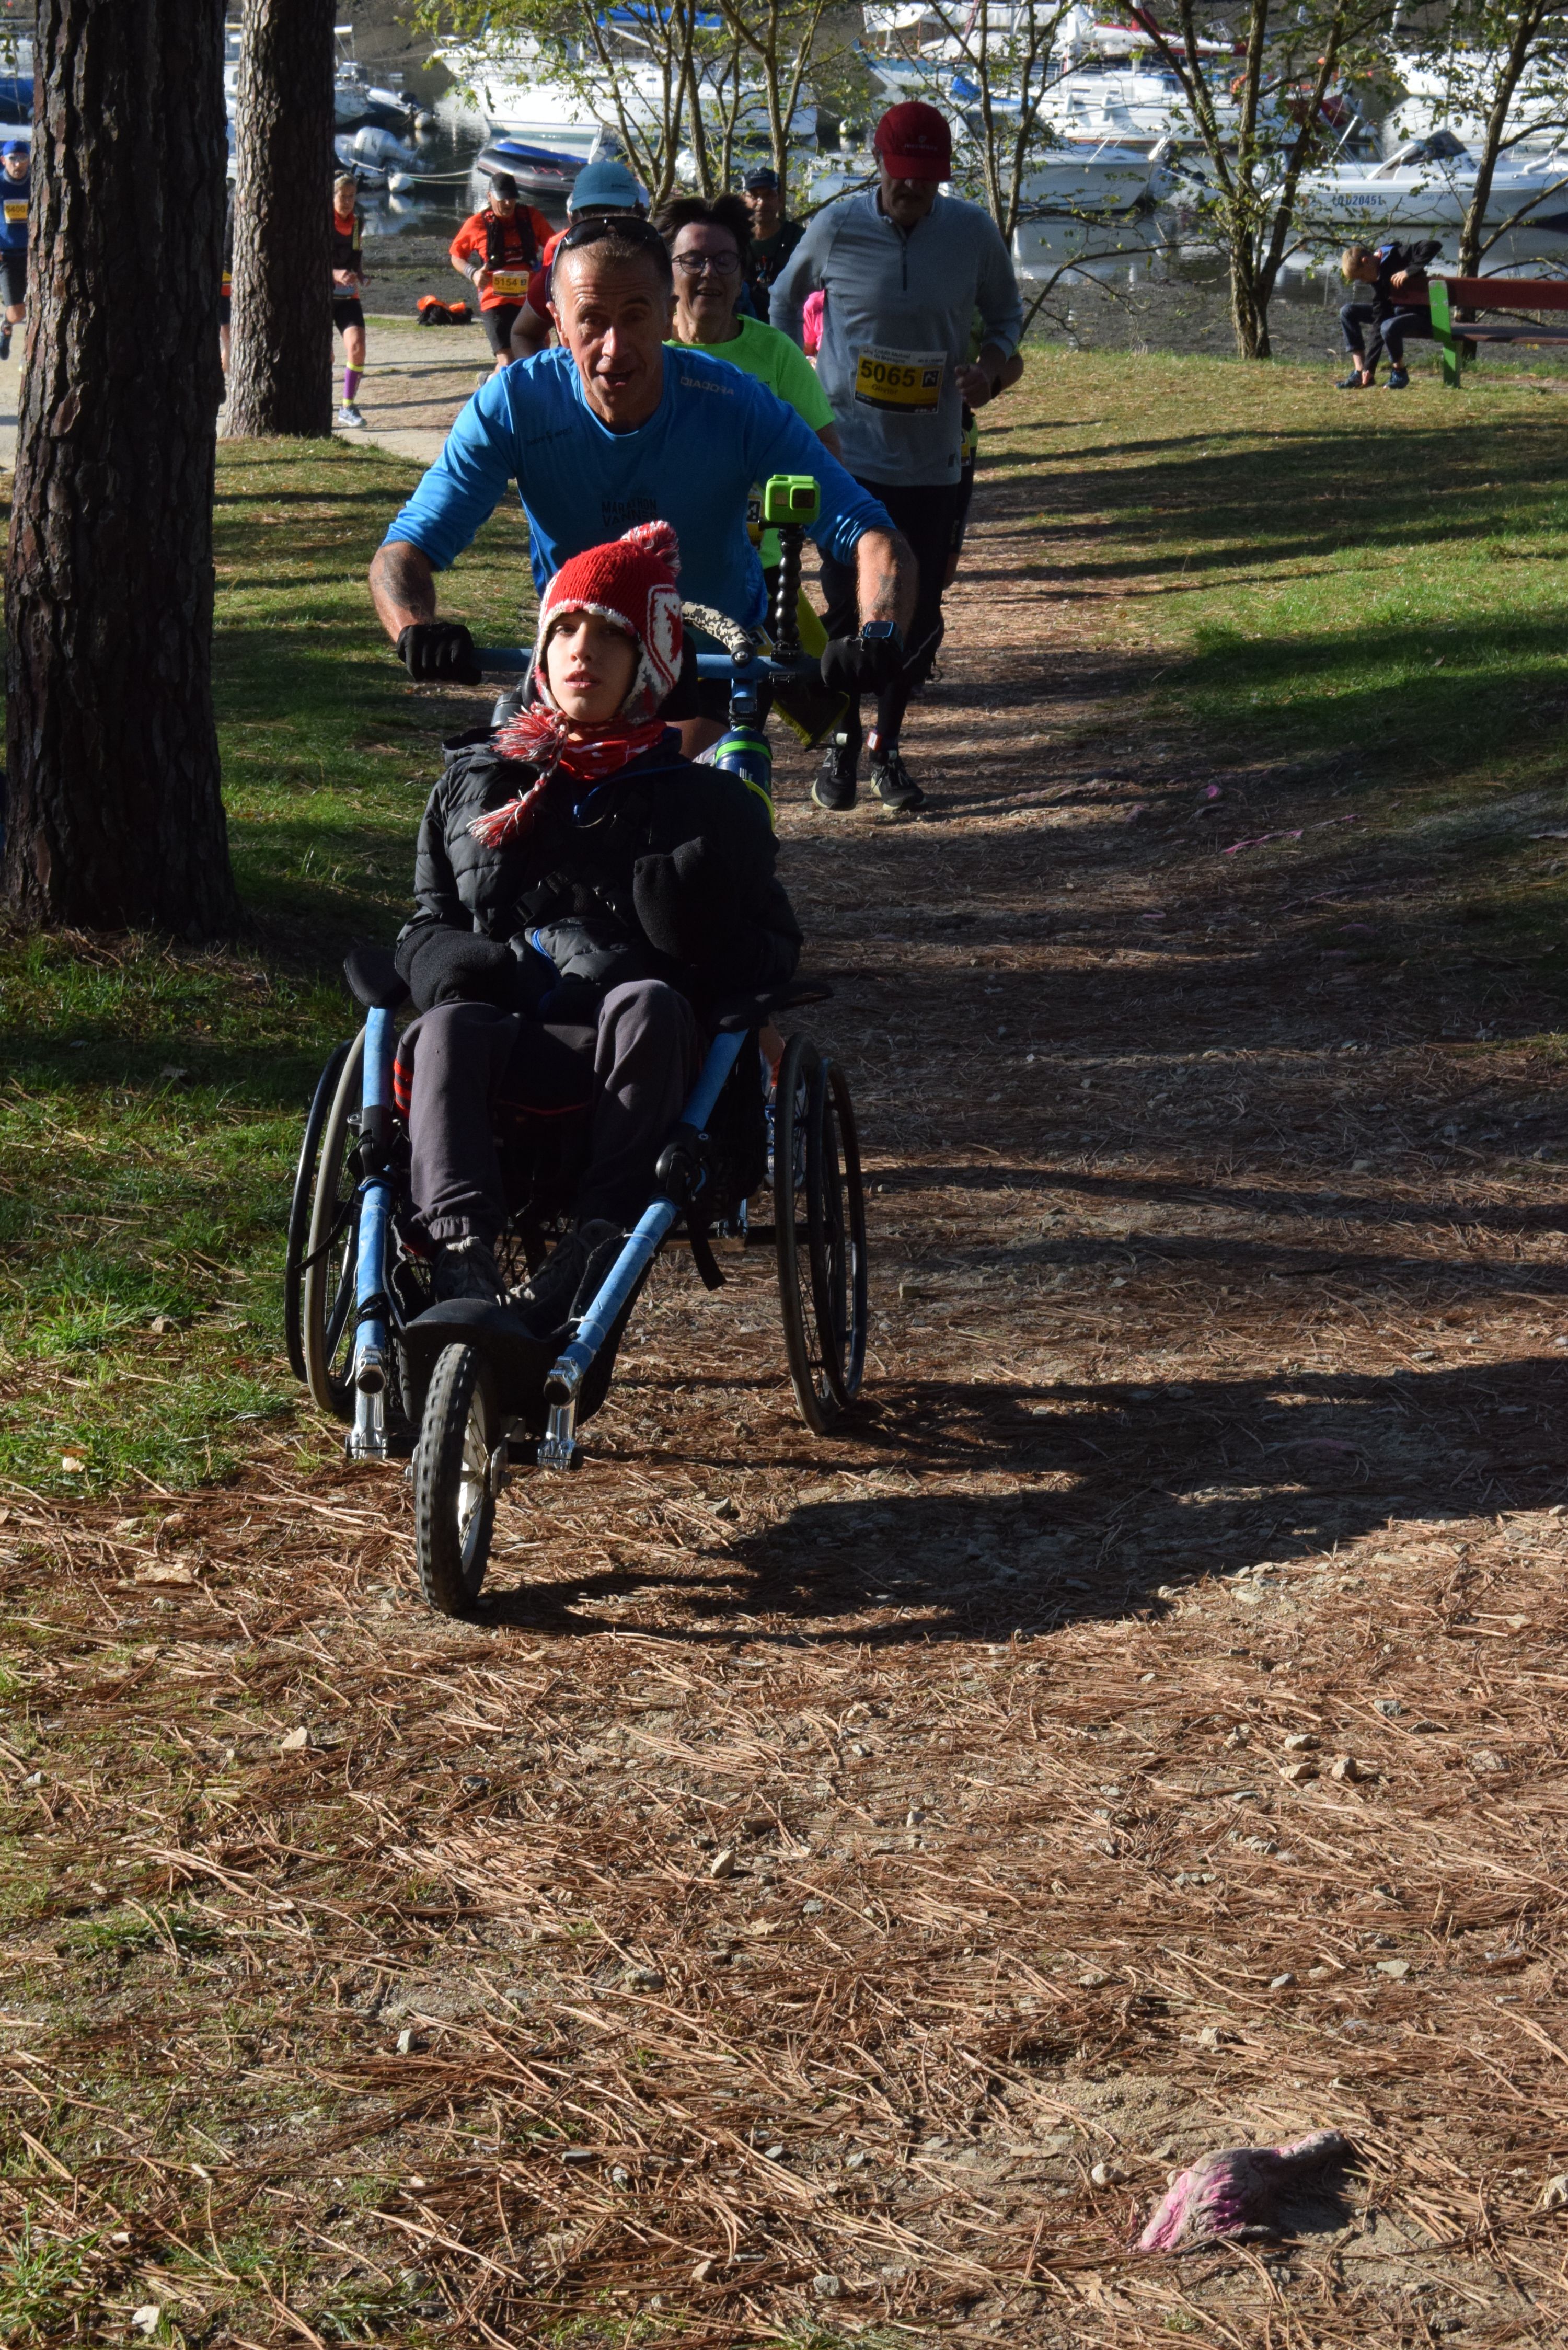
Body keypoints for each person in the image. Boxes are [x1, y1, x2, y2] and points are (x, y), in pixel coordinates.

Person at [391, 520, 801, 1329]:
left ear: (651, 664)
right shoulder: (474, 786)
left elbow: (776, 952)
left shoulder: (709, 808)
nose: (583, 650)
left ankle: (598, 1239)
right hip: (506, 1043)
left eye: (612, 635)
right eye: (565, 629)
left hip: (641, 1061)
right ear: (542, 652)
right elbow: (427, 920)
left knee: (647, 1000)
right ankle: (460, 1251)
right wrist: (442, 959)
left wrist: (700, 935)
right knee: (445, 1024)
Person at [369, 213, 914, 764]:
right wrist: (416, 629)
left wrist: (879, 631)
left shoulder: (736, 404)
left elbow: (873, 534)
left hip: (708, 666)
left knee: (668, 791)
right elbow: (404, 550)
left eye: (635, 316)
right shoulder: (513, 405)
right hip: (578, 668)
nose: (615, 347)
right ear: (558, 322)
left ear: (667, 313)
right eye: (592, 320)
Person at [771, 100, 1022, 813]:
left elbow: (1007, 318)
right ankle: (843, 742)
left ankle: (888, 745)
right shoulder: (837, 227)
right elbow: (781, 303)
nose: (912, 188)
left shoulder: (971, 233)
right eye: (902, 172)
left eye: (927, 176)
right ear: (879, 164)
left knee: (916, 615)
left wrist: (989, 371)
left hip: (932, 460)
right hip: (849, 457)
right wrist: (799, 385)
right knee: (847, 608)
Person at [659, 190, 842, 570]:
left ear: (742, 271)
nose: (709, 272)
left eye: (724, 260)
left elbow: (826, 452)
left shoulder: (775, 352)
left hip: (759, 567)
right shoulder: (647, 350)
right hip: (661, 564)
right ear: (667, 273)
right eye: (693, 260)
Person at [508, 154, 648, 363]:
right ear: (573, 219)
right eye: (593, 216)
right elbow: (522, 334)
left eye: (617, 214)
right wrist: (551, 379)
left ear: (638, 213)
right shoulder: (558, 272)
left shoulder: (659, 265)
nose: (607, 226)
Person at [450, 169, 554, 373]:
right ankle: (489, 384)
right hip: (495, 301)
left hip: (528, 301)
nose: (508, 203)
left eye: (512, 198)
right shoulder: (476, 224)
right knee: (507, 362)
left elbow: (554, 245)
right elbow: (456, 256)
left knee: (535, 358)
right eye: (503, 199)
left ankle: (499, 385)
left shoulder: (531, 217)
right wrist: (473, 273)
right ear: (490, 196)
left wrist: (549, 274)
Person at [1338, 240, 1439, 391]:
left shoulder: (1397, 254)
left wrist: (1408, 271)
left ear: (1366, 261)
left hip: (1419, 316)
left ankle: (1400, 372)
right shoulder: (1377, 276)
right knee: (1348, 312)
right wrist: (1369, 366)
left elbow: (1432, 245)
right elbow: (1380, 318)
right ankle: (1361, 372)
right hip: (1393, 315)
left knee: (1388, 325)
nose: (1364, 281)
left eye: (1362, 276)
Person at [739, 166, 803, 320]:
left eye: (768, 195)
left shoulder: (799, 238)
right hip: (744, 323)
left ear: (780, 199)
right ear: (743, 200)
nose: (762, 203)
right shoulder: (733, 239)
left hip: (789, 322)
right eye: (754, 196)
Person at [332, 174, 369, 429]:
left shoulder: (357, 224)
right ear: (332, 196)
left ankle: (347, 406)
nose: (347, 202)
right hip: (319, 295)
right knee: (325, 355)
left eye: (352, 196)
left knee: (357, 346)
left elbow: (355, 257)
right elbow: (310, 258)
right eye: (342, 196)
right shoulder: (321, 221)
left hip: (347, 296)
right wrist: (334, 273)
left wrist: (361, 275)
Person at [0, 139, 28, 363]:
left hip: (35, 256)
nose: (18, 164)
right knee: (18, 313)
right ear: (3, 160)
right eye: (13, 159)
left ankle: (29, 356)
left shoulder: (38, 182)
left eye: (23, 158)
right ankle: (6, 325)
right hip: (6, 257)